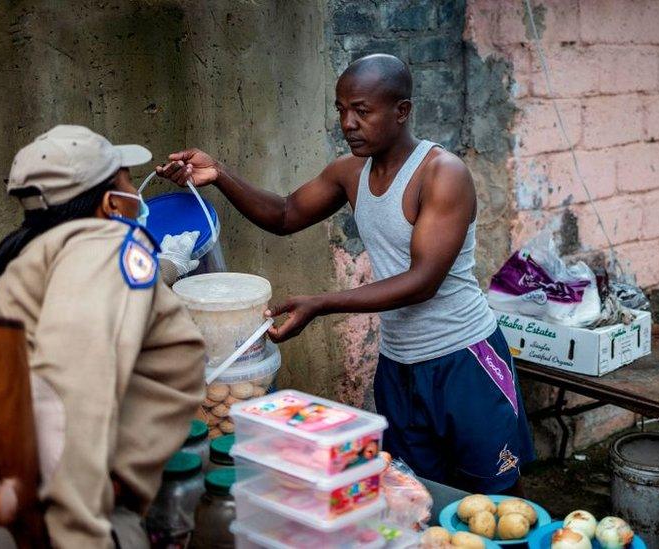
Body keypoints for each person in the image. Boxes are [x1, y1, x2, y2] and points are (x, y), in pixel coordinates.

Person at [157, 54, 535, 494]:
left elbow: (423, 280)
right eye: (341, 110)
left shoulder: (441, 174)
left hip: (462, 358)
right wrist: (219, 174)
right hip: (400, 364)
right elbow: (284, 214)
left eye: (362, 110)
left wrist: (321, 303)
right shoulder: (350, 172)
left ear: (402, 111)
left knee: (496, 499)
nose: (348, 123)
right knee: (417, 494)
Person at [0, 125, 206, 548]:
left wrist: (166, 268)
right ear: (110, 203)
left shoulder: (42, 249)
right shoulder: (108, 246)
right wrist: (82, 536)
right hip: (7, 509)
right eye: (127, 178)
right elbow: (67, 393)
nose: (138, 197)